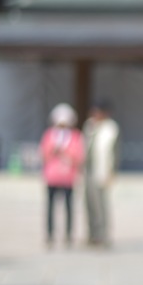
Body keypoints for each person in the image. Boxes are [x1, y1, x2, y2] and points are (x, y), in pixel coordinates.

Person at [39, 103, 84, 249]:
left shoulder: (75, 136)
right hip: (52, 176)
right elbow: (43, 153)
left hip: (68, 177)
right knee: (50, 207)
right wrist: (54, 149)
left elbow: (79, 156)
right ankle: (50, 234)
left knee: (69, 207)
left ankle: (69, 234)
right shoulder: (49, 135)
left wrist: (66, 153)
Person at [83, 102, 120, 247]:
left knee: (101, 205)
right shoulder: (90, 126)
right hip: (88, 170)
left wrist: (112, 172)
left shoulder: (111, 129)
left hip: (103, 171)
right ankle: (91, 233)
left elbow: (115, 152)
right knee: (89, 203)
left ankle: (103, 235)